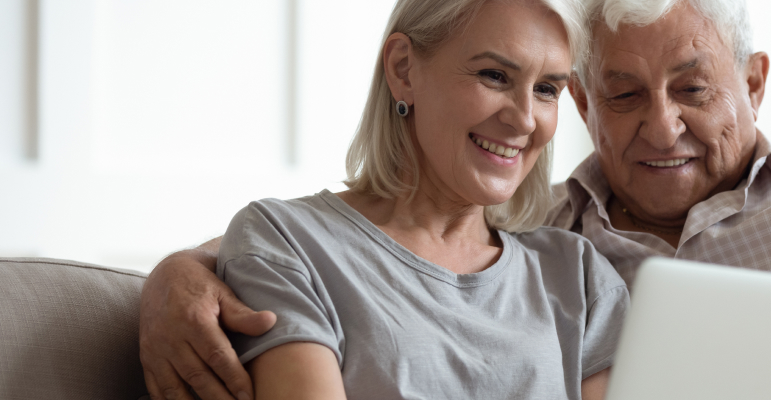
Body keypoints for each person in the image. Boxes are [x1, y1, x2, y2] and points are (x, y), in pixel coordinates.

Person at [140, 0, 771, 399]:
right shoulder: (563, 240)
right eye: (621, 96)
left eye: (693, 88)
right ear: (586, 109)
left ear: (754, 83)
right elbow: (329, 246)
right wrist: (174, 273)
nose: (662, 127)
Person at [138, 0, 631, 399]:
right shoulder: (289, 241)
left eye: (546, 89)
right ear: (403, 70)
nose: (525, 119)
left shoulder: (579, 276)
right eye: (494, 76)